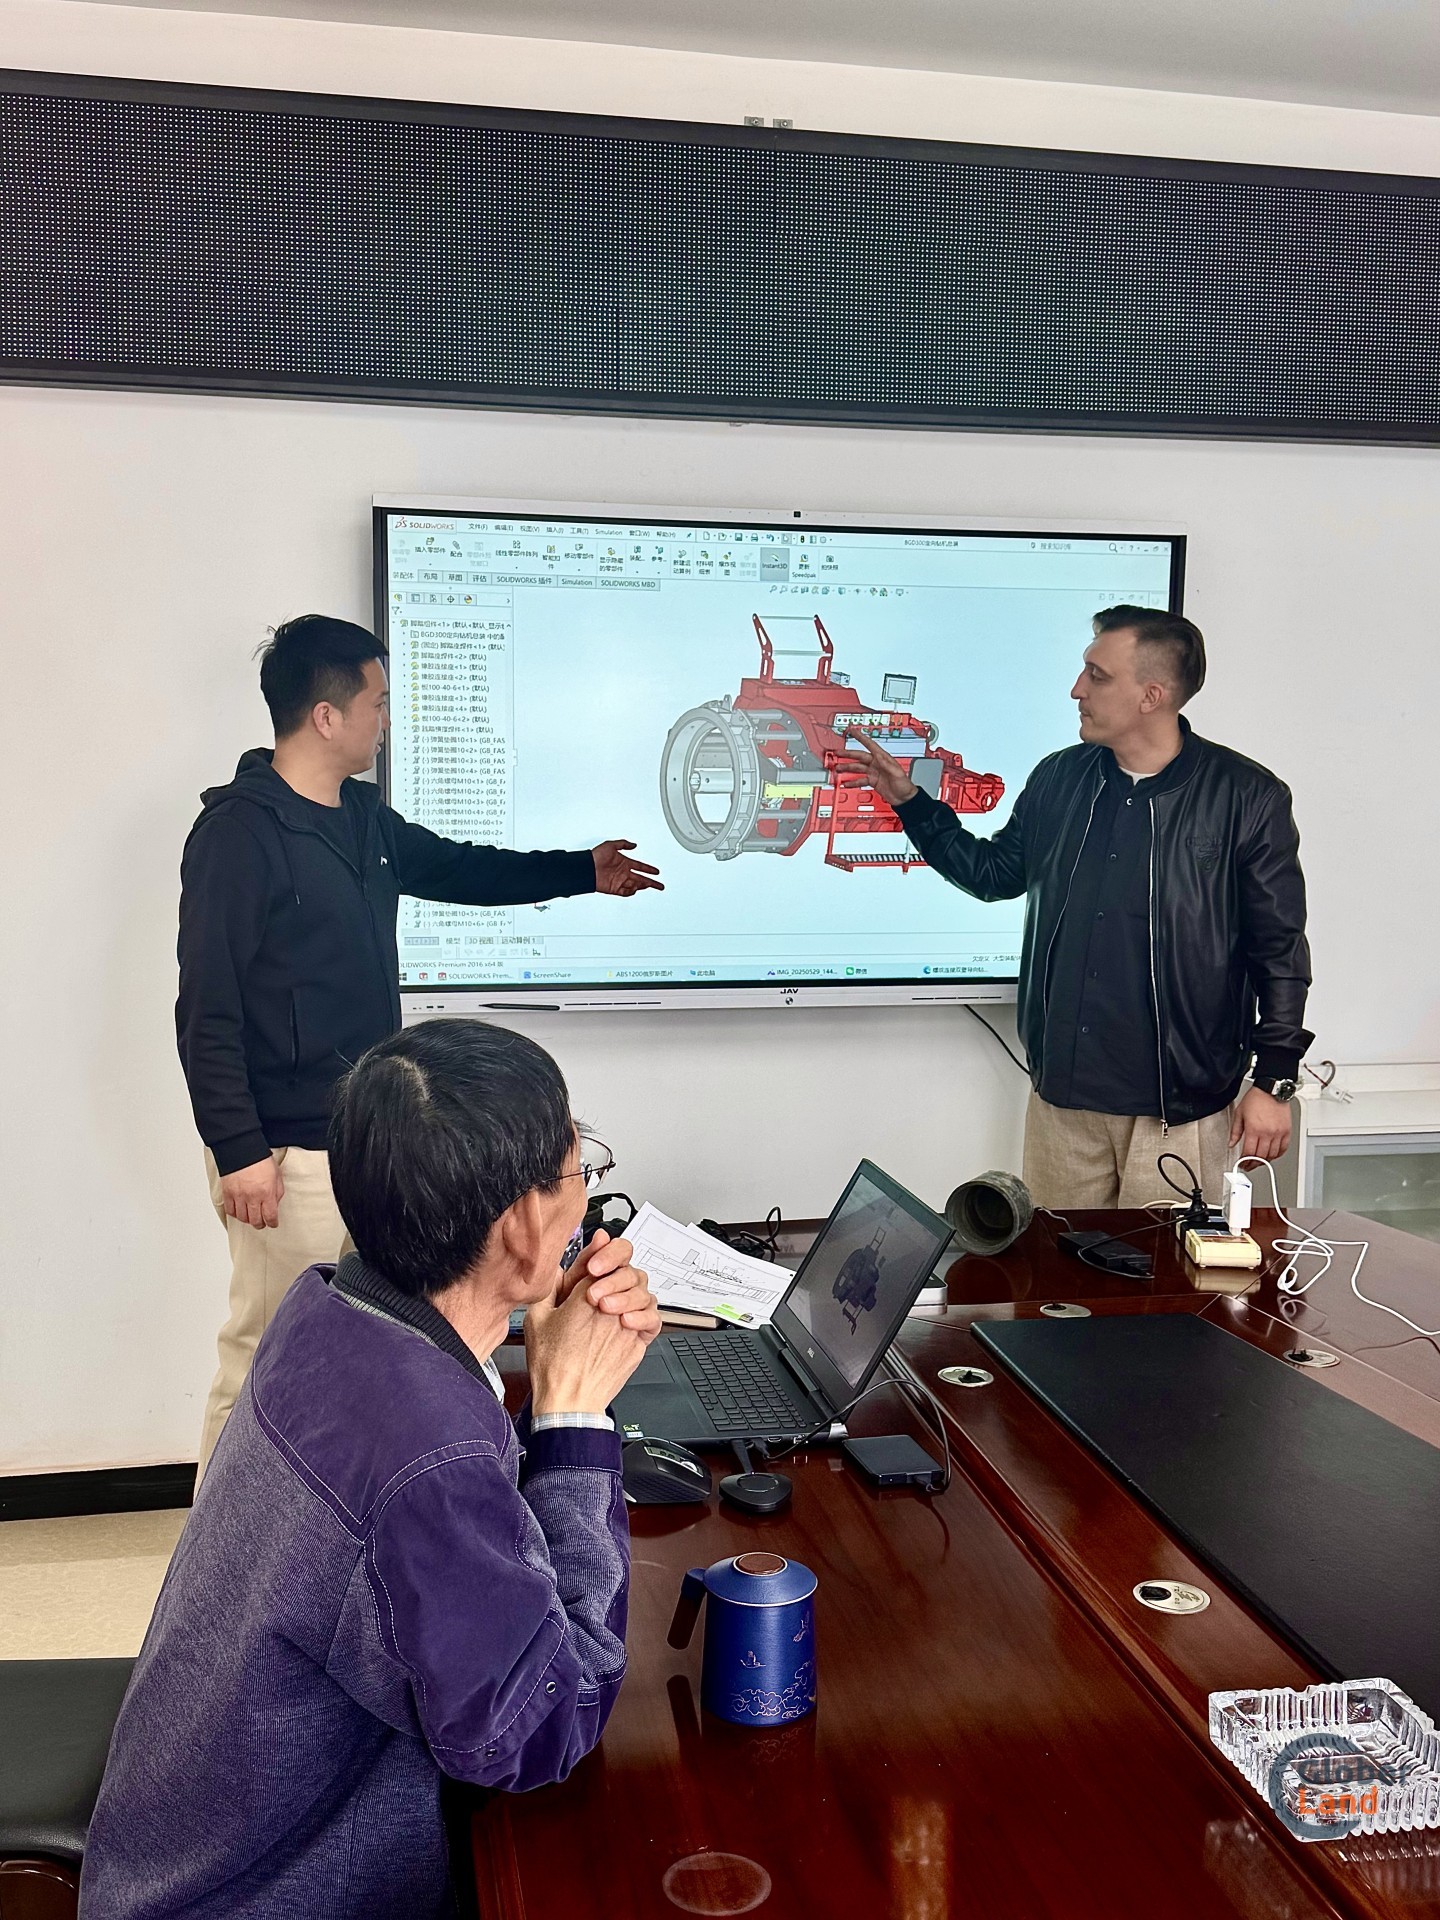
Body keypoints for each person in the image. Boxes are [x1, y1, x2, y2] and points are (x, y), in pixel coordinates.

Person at [81, 1019, 660, 1920]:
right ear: (520, 1225)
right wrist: (574, 1416)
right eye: (578, 1167)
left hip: (166, 1853)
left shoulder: (323, 1308)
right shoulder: (428, 1461)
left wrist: (540, 1359)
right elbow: (537, 1729)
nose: (586, 1193)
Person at [177, 614, 662, 1475]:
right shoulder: (239, 835)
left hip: (371, 1141)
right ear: (327, 716)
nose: (386, 719)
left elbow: (462, 868)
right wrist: (239, 1148)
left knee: (377, 1344)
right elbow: (206, 1007)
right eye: (377, 702)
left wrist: (580, 870)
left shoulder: (363, 818)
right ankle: (226, 1531)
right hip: (283, 1154)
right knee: (266, 1353)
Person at [838, 606, 1312, 1208]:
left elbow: (1279, 950)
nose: (1077, 689)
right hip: (1064, 1103)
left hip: (1179, 1108)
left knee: (1165, 1269)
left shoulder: (1246, 796)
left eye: (1097, 675)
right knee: (1058, 1266)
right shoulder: (1059, 778)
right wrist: (912, 803)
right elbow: (994, 875)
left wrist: (1274, 1079)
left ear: (1152, 695)